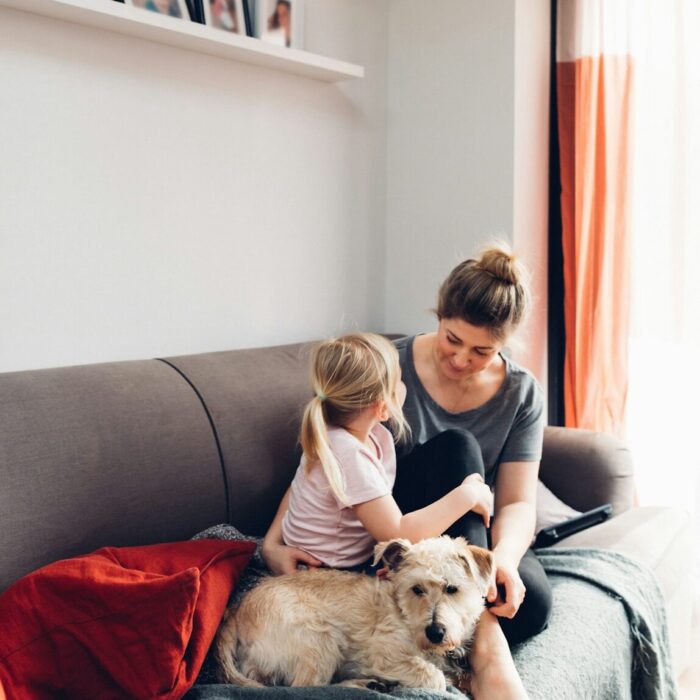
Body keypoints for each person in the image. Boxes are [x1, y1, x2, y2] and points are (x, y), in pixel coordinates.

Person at [264, 245, 549, 700]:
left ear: (505, 346)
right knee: (459, 447)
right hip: (402, 526)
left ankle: (470, 610)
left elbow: (517, 501)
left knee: (532, 601)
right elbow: (321, 467)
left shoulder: (521, 392)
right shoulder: (384, 371)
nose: (459, 360)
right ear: (438, 315)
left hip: (472, 538)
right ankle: (487, 653)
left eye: (481, 351)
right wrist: (271, 543)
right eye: (452, 339)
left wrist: (504, 564)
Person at [269, 332, 492, 572]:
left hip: (339, 556)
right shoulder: (350, 456)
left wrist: (271, 543)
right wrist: (468, 495)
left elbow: (297, 487)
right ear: (383, 408)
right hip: (332, 571)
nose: (404, 385)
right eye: (400, 380)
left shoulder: (335, 431)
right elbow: (398, 534)